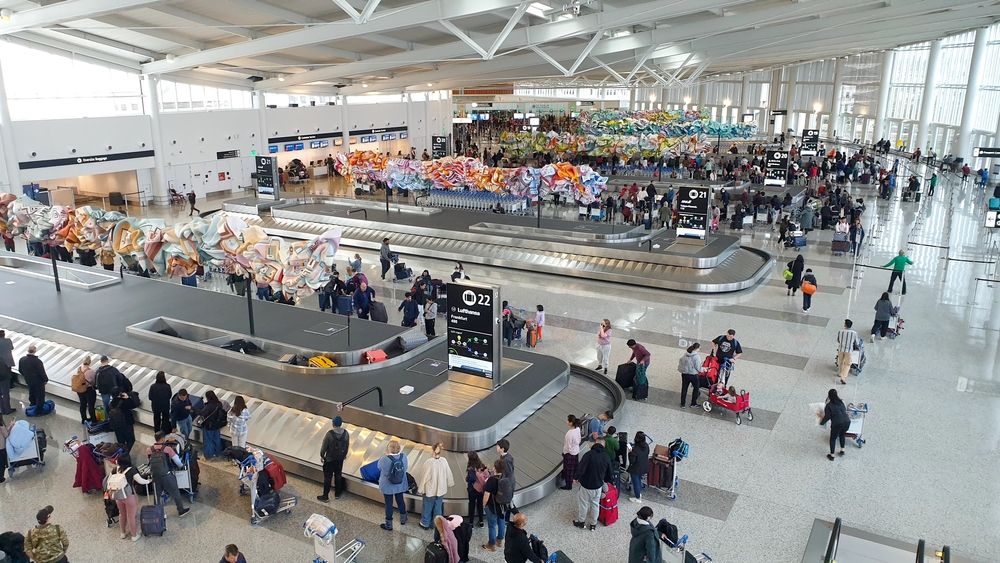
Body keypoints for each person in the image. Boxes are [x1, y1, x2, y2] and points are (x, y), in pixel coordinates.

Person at [147, 432, 192, 517]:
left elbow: (150, 461)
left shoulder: (149, 449)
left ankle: (157, 514)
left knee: (157, 495)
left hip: (155, 476)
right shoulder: (167, 449)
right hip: (167, 475)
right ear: (163, 439)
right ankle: (181, 510)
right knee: (175, 492)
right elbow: (177, 461)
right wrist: (182, 466)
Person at [108, 454, 151, 542]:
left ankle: (122, 533)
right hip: (129, 496)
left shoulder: (115, 469)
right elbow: (140, 481)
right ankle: (134, 535)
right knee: (131, 516)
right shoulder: (131, 470)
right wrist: (148, 481)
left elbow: (108, 481)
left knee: (122, 514)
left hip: (118, 496)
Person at [573, 437, 613, 531]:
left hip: (586, 485)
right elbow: (609, 472)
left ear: (595, 443)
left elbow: (581, 468)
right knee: (595, 504)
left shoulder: (588, 455)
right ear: (604, 445)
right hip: (598, 485)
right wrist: (606, 481)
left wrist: (576, 477)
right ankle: (593, 525)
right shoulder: (606, 456)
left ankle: (581, 522)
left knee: (584, 504)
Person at [418, 442, 455, 529]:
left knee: (427, 506)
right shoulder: (444, 461)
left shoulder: (429, 462)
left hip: (430, 490)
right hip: (441, 490)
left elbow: (424, 476)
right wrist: (450, 483)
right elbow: (448, 473)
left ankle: (425, 523)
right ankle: (436, 524)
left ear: (433, 451)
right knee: (438, 507)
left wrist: (420, 489)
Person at [378, 440, 409, 531]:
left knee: (389, 504)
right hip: (400, 484)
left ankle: (389, 525)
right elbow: (406, 468)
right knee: (400, 501)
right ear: (399, 448)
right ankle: (403, 519)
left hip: (387, 486)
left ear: (389, 448)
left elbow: (379, 468)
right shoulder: (404, 457)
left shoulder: (384, 459)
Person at [317, 416, 349, 502]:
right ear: (341, 423)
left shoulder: (329, 434)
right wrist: (344, 455)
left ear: (333, 423)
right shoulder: (346, 433)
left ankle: (325, 496)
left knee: (328, 477)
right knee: (338, 475)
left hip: (330, 460)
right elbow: (347, 446)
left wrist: (322, 456)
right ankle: (337, 493)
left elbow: (324, 448)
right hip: (340, 459)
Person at [481, 459, 507, 552]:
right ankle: (500, 540)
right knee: (501, 521)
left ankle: (491, 545)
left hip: (492, 507)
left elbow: (486, 494)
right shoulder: (505, 477)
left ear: (495, 468)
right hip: (503, 505)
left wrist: (484, 505)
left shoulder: (492, 480)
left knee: (492, 526)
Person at [819, 389, 851, 460]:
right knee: (842, 435)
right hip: (847, 422)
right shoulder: (841, 402)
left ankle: (832, 455)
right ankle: (842, 450)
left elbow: (827, 417)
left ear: (829, 396)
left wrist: (821, 423)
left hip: (837, 424)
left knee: (833, 439)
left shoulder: (829, 406)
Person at [17, 345, 48, 413]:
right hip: (38, 382)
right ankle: (39, 410)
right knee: (40, 395)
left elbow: (20, 370)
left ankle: (32, 404)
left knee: (32, 392)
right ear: (35, 351)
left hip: (28, 380)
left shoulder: (22, 359)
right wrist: (46, 380)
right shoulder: (37, 361)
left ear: (28, 350)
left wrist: (26, 376)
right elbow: (42, 373)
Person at [197, 390, 227, 459]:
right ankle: (218, 453)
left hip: (209, 426)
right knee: (217, 439)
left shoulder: (209, 406)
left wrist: (194, 409)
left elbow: (203, 413)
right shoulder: (219, 404)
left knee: (208, 441)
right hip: (217, 425)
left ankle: (209, 456)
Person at [678, 342, 707, 408]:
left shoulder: (686, 354)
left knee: (684, 389)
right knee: (696, 388)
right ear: (697, 348)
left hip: (684, 374)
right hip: (693, 375)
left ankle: (682, 404)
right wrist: (704, 369)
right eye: (699, 348)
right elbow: (698, 368)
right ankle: (693, 403)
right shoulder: (696, 356)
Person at [70, 356, 96, 424]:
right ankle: (93, 420)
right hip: (89, 390)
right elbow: (93, 382)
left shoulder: (79, 369)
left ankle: (83, 419)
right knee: (91, 405)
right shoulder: (91, 371)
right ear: (90, 362)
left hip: (80, 389)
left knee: (82, 404)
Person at [465, 452, 487, 528]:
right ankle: (481, 521)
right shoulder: (482, 465)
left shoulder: (471, 468)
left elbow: (471, 478)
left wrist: (467, 478)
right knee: (480, 505)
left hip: (472, 490)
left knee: (472, 505)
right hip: (481, 490)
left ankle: (471, 523)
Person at [626, 431, 649, 502]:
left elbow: (632, 461)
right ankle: (639, 492)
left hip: (635, 468)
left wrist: (630, 452)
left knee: (636, 482)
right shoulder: (646, 445)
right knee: (639, 480)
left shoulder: (635, 449)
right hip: (643, 466)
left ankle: (637, 497)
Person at [835, 319, 859, 385]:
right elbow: (857, 342)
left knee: (840, 361)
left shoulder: (840, 331)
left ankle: (840, 373)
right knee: (848, 364)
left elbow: (838, 340)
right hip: (848, 350)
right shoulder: (854, 333)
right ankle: (843, 377)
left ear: (845, 325)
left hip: (840, 349)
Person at [561, 415, 580, 490]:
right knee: (574, 467)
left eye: (567, 420)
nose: (566, 422)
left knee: (568, 470)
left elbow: (568, 446)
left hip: (569, 454)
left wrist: (565, 453)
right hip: (576, 451)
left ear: (571, 423)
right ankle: (575, 478)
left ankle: (568, 485)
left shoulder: (569, 434)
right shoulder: (578, 428)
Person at [0, 413, 12, 483]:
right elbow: (6, 435)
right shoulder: (1, 427)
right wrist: (11, 426)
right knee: (2, 464)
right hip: (1, 448)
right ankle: (1, 478)